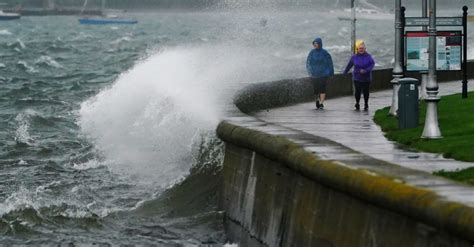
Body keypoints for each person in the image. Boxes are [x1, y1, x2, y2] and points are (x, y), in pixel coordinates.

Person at [343, 40, 375, 111]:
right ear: (357, 49)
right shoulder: (354, 57)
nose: (361, 50)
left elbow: (372, 65)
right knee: (358, 91)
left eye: (362, 48)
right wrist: (345, 72)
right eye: (360, 48)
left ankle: (366, 104)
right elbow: (349, 65)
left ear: (365, 49)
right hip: (357, 77)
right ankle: (357, 103)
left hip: (366, 78)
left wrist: (366, 70)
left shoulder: (368, 57)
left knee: (366, 91)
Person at [306, 37, 334, 110]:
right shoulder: (312, 52)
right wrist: (309, 71)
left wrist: (330, 72)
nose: (315, 45)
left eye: (316, 44)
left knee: (322, 88)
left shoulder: (324, 52)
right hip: (314, 74)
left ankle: (321, 103)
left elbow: (330, 62)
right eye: (314, 44)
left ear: (320, 44)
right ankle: (317, 100)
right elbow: (308, 62)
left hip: (323, 74)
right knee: (316, 89)